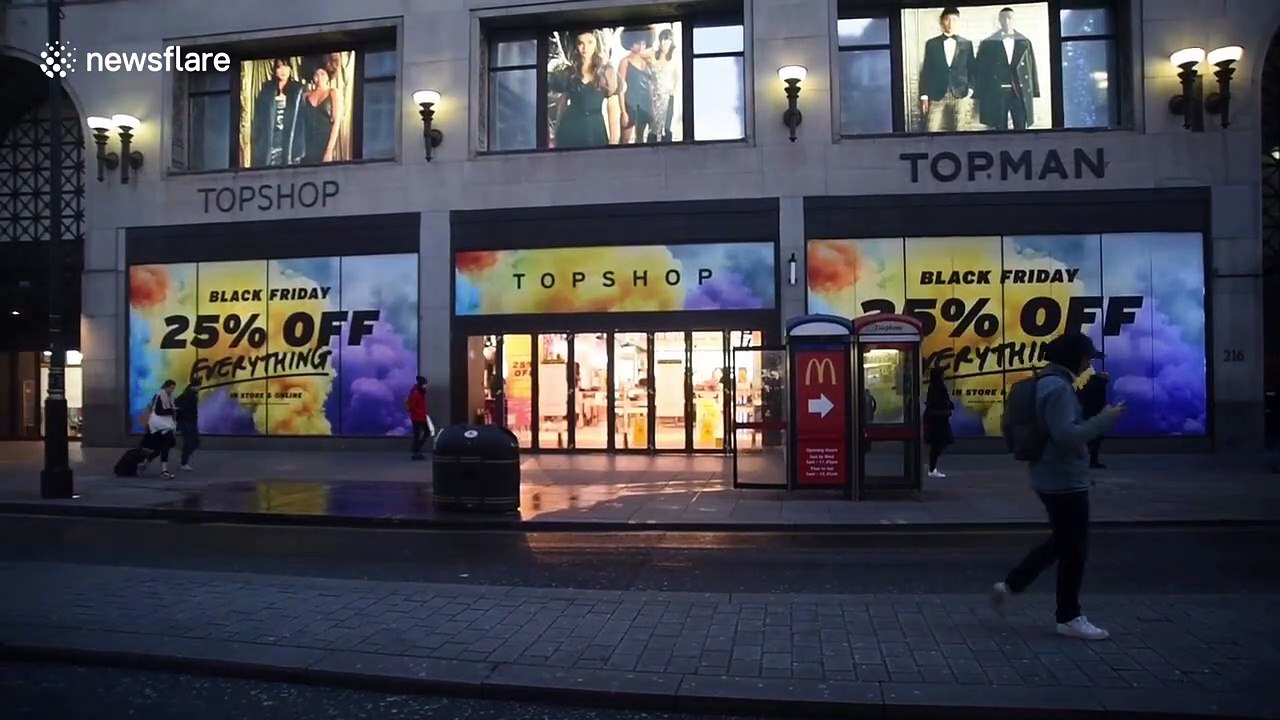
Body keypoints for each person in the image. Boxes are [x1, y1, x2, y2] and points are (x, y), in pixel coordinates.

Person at [992, 333, 1124, 641]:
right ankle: (1068, 616)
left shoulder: (1043, 383)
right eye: (1086, 358)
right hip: (1065, 479)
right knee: (1074, 550)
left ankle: (1012, 586)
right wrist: (1107, 419)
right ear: (1073, 359)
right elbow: (1066, 435)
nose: (1088, 364)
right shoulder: (1058, 388)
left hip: (1046, 475)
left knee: (1064, 542)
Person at [975, 7, 1040, 130]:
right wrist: (980, 92)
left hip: (1019, 91)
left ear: (1014, 20)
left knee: (1021, 126)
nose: (1007, 21)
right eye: (1003, 18)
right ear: (999, 20)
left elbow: (1031, 68)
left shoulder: (1025, 42)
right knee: (999, 128)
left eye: (1010, 18)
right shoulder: (988, 43)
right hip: (997, 91)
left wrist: (1034, 90)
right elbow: (981, 70)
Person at [553, 30, 620, 148]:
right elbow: (562, 104)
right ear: (576, 45)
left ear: (596, 43)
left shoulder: (606, 71)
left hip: (595, 127)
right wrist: (556, 134)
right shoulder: (570, 72)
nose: (585, 48)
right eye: (581, 43)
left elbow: (613, 106)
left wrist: (614, 140)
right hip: (570, 127)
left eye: (590, 42)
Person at [918, 6, 976, 132]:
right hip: (937, 92)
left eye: (954, 20)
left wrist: (970, 90)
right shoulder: (931, 44)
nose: (950, 24)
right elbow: (927, 70)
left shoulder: (967, 44)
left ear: (958, 22)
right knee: (930, 130)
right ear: (942, 21)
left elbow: (972, 68)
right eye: (947, 20)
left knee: (962, 131)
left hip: (961, 93)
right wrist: (924, 96)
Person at [251, 58, 306, 167]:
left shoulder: (297, 90)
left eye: (286, 67)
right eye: (279, 67)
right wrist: (258, 143)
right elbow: (258, 119)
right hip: (270, 143)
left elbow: (302, 122)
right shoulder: (267, 89)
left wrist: (299, 150)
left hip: (289, 143)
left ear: (290, 69)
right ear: (275, 70)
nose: (283, 70)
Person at [618, 26, 656, 144]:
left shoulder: (648, 61)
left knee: (640, 139)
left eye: (643, 42)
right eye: (637, 43)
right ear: (630, 43)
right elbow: (620, 89)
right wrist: (623, 112)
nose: (641, 46)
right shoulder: (625, 62)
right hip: (630, 105)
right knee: (624, 140)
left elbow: (653, 84)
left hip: (645, 104)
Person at [143, 380, 179, 479]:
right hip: (161, 426)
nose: (172, 390)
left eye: (173, 388)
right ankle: (164, 471)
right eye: (171, 388)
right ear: (166, 387)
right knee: (165, 446)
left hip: (161, 425)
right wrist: (172, 410)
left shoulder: (166, 397)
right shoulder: (160, 396)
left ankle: (145, 463)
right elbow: (159, 411)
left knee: (160, 448)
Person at [923, 368, 954, 478]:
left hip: (936, 418)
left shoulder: (933, 387)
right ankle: (932, 468)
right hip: (938, 420)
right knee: (938, 444)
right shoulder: (938, 387)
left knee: (937, 444)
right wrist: (948, 405)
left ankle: (932, 467)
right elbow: (939, 402)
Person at [1077, 370, 1109, 470]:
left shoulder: (1089, 384)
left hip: (1087, 414)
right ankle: (1093, 461)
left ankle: (1086, 460)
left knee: (1089, 441)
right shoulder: (1099, 386)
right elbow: (1099, 402)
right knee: (1095, 441)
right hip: (1095, 414)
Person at [175, 379, 201, 471]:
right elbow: (177, 404)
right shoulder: (187, 395)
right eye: (198, 386)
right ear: (193, 386)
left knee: (193, 442)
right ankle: (184, 462)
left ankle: (183, 459)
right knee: (190, 441)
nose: (199, 388)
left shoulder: (191, 394)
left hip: (190, 421)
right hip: (187, 422)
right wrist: (181, 414)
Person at [407, 375, 431, 460]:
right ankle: (416, 450)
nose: (425, 386)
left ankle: (416, 449)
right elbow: (412, 407)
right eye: (424, 384)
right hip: (417, 417)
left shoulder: (420, 392)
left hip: (421, 417)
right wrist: (421, 412)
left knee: (422, 433)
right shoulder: (416, 393)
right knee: (421, 433)